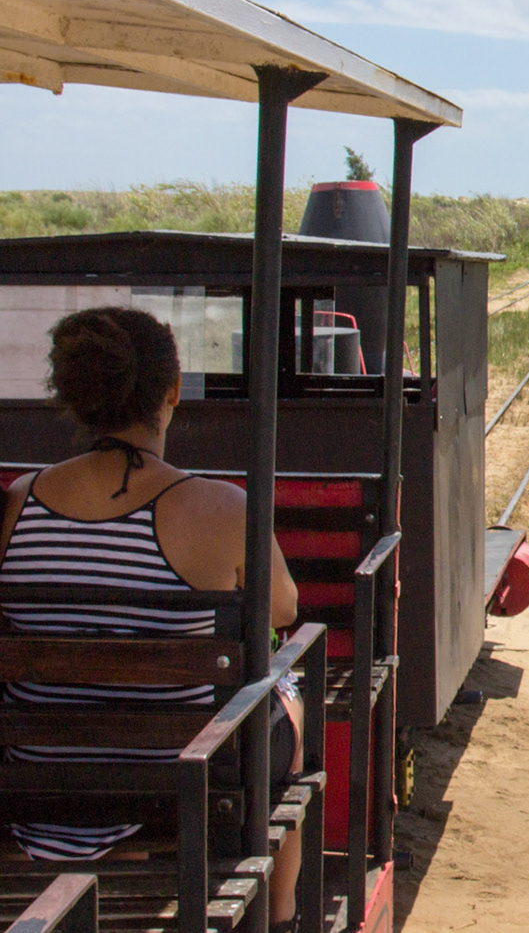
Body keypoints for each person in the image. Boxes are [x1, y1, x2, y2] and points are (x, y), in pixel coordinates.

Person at [0, 307, 306, 930]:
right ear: (171, 393)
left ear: (75, 396)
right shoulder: (220, 508)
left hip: (39, 783)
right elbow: (285, 609)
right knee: (288, 694)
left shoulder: (16, 505)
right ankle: (280, 913)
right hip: (179, 790)